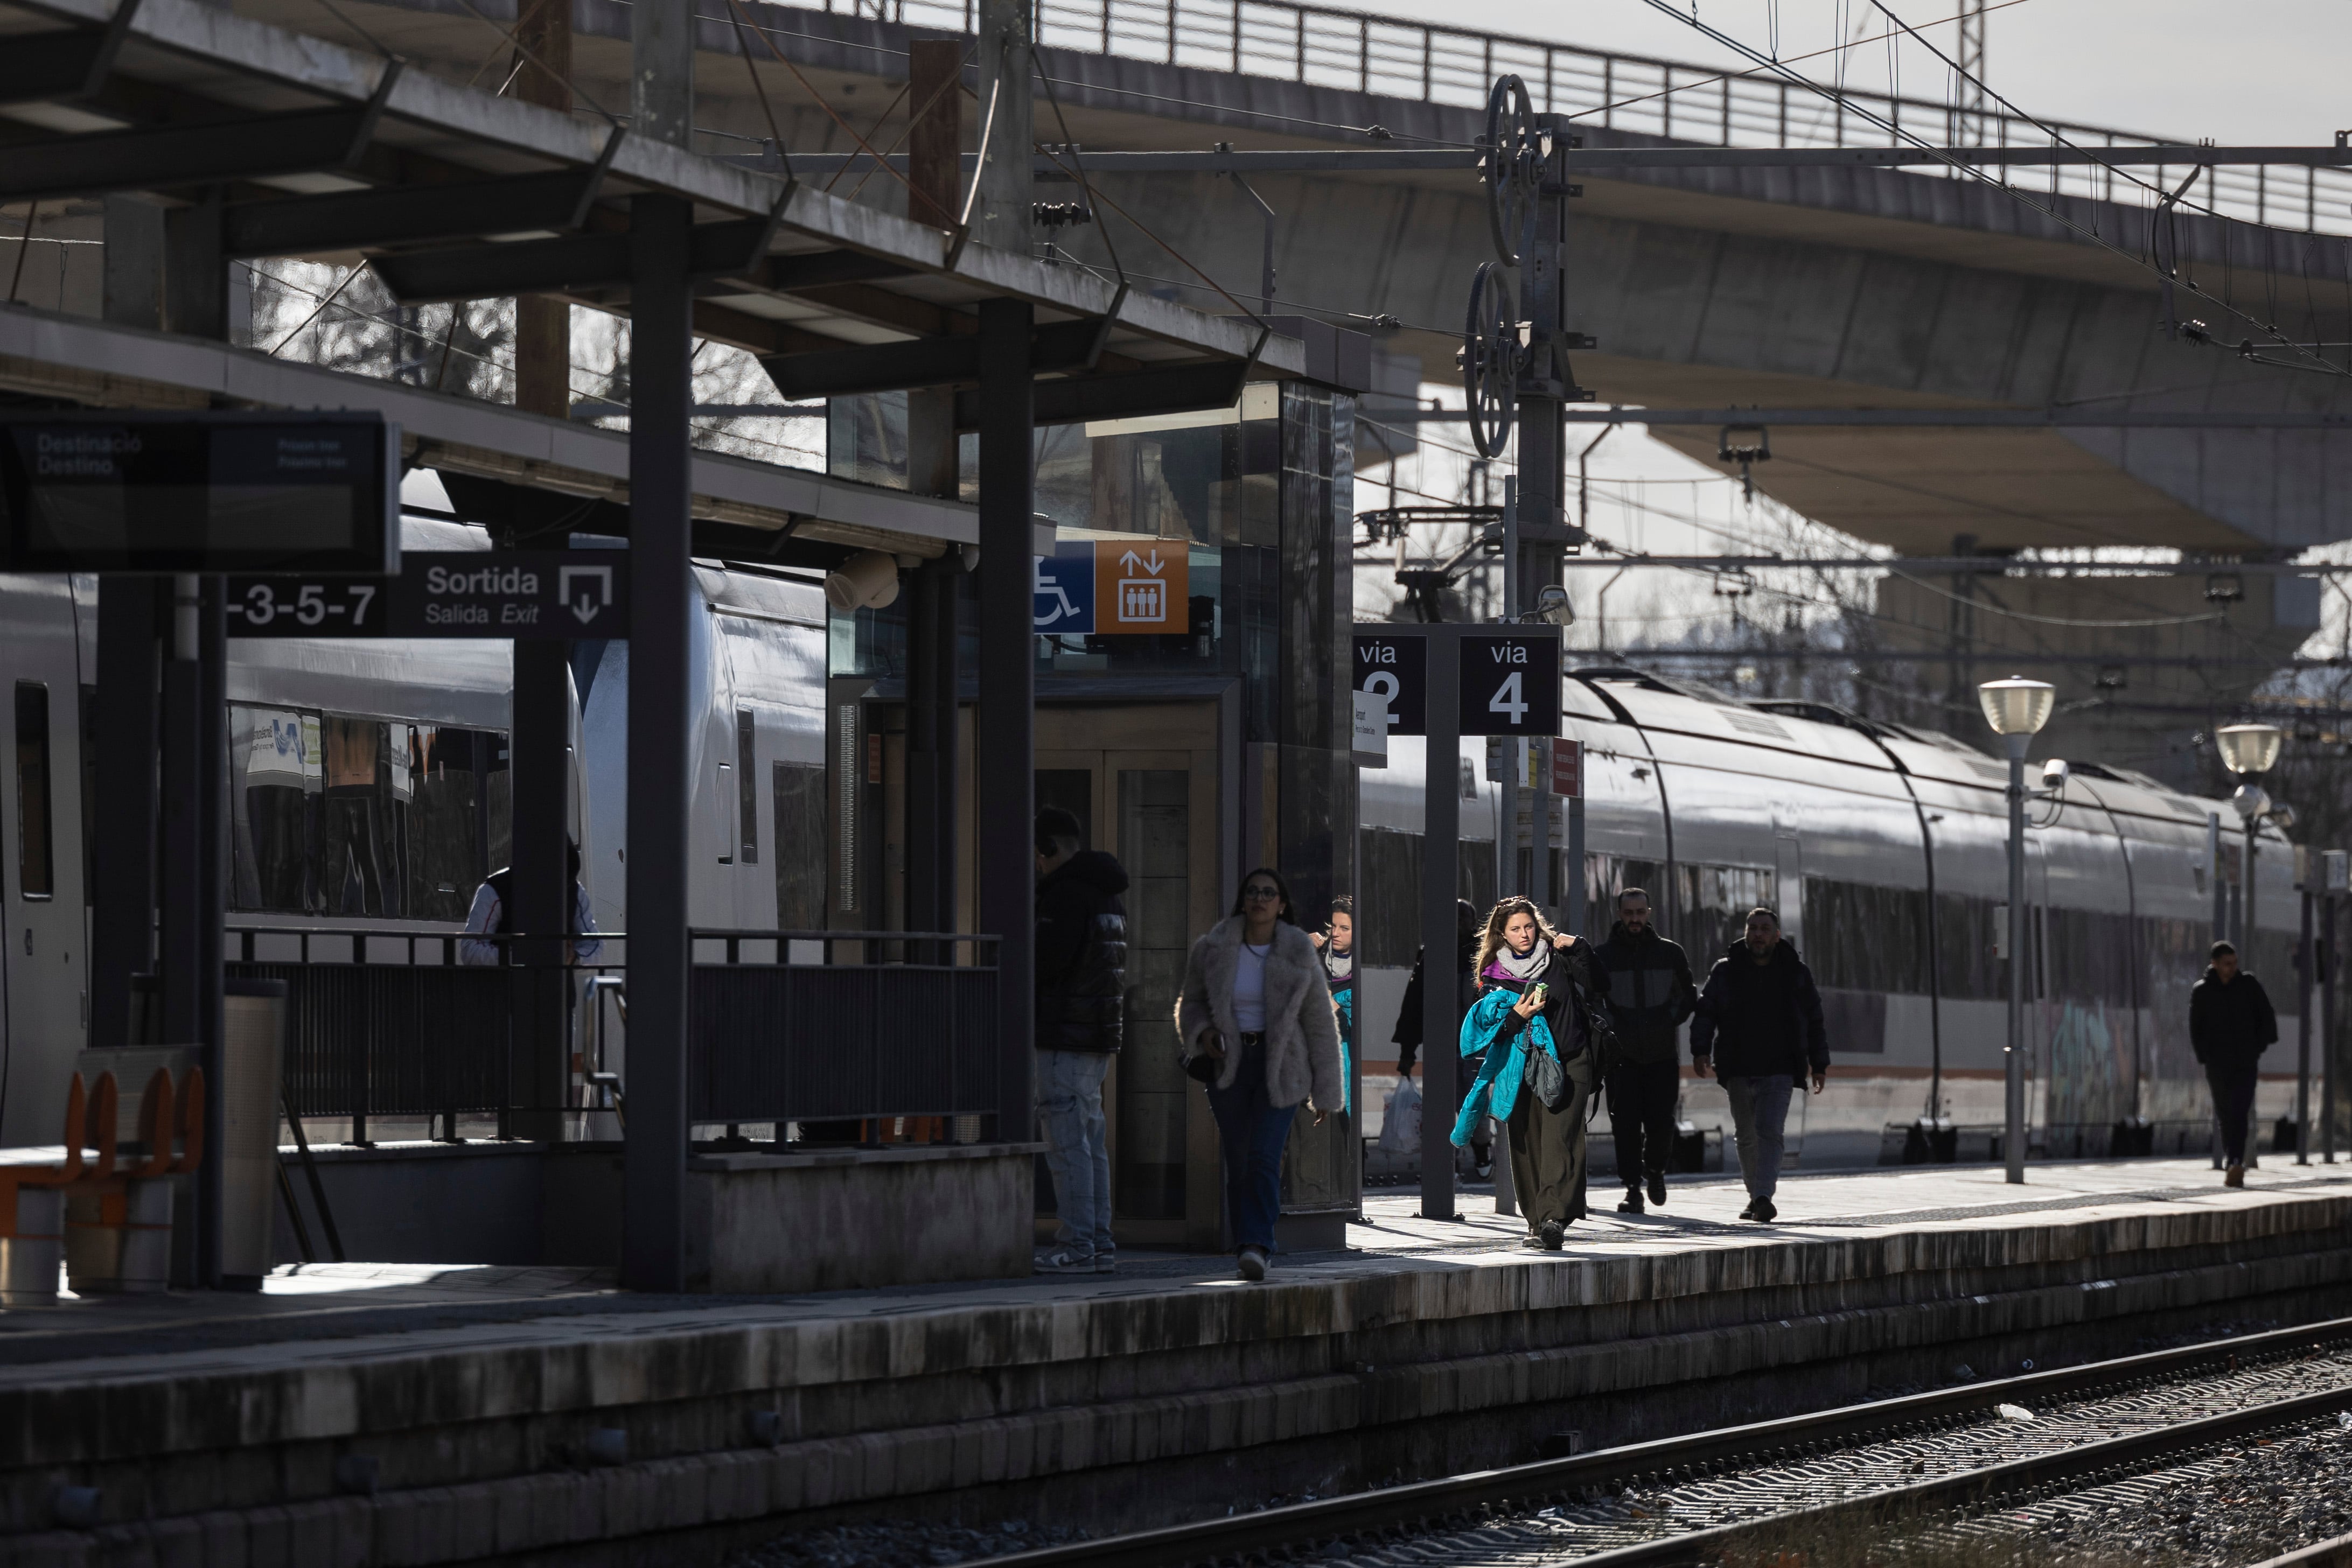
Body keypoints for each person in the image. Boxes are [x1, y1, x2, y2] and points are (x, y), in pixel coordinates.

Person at [1177, 867, 1344, 1282]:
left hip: (1282, 1065)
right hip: (1229, 1064)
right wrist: (1204, 1032)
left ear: (1281, 904)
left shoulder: (1296, 952)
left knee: (1264, 1156)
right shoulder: (1212, 948)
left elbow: (1320, 1021)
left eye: (1268, 893)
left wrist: (1325, 1091)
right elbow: (1191, 1003)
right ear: (1243, 900)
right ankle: (1244, 1240)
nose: (1259, 899)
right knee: (1239, 1159)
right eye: (1252, 892)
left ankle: (1257, 1244)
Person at [1450, 897, 1606, 1249]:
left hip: (1570, 1060)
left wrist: (1580, 947)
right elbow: (1486, 1032)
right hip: (1518, 1067)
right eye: (1516, 929)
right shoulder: (1492, 974)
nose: (1525, 935)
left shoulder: (1559, 958)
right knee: (1525, 1144)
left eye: (1529, 927)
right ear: (1502, 935)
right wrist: (1516, 1018)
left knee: (1559, 1138)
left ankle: (1554, 1219)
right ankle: (1535, 1222)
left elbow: (1600, 983)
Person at [1032, 806, 1129, 1272]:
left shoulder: (1064, 896)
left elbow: (1047, 964)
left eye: (1038, 854)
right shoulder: (1107, 896)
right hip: (1096, 1036)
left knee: (1068, 1146)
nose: (1036, 864)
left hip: (1063, 1035)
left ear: (1048, 849)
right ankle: (1099, 1241)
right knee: (1090, 1142)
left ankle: (1078, 1244)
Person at [1690, 908, 1827, 1223]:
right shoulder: (1726, 971)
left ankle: (1763, 1196)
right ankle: (1757, 1197)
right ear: (1746, 932)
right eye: (1753, 928)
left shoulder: (1795, 972)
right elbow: (1706, 1011)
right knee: (1746, 1135)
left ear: (1777, 936)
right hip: (1737, 1067)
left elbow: (1814, 1020)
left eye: (1765, 929)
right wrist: (1700, 1050)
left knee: (1769, 1133)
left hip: (1780, 1069)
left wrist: (1819, 1064)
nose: (1758, 934)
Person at [1595, 887, 1697, 1214]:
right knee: (1624, 1123)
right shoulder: (1604, 957)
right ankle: (1632, 1188)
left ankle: (1655, 1170)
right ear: (1620, 914)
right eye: (1629, 913)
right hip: (1621, 1057)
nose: (1635, 919)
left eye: (1640, 913)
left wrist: (1666, 1021)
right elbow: (1594, 999)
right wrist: (1613, 1027)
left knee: (1661, 1122)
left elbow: (1687, 995)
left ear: (1649, 913)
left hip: (1661, 1055)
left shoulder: (1670, 953)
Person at [1393, 899, 1485, 1174]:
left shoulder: (1484, 957)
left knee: (1474, 1103)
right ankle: (1451, 1162)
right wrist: (1407, 1052)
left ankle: (1481, 1151)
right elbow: (1414, 1006)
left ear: (1472, 923)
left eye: (1463, 918)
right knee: (1442, 1107)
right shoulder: (1431, 955)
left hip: (1475, 1047)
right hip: (1442, 1047)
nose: (1457, 924)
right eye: (1453, 918)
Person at [2189, 939, 2277, 1187]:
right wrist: (2204, 1056)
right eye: (2227, 964)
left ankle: (2235, 1160)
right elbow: (2196, 1028)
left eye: (2234, 963)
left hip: (2245, 1063)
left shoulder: (2248, 986)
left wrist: (2257, 1047)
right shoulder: (2203, 991)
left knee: (2240, 1111)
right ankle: (2233, 1159)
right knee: (2226, 1114)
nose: (2232, 968)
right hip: (2217, 1065)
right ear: (2215, 964)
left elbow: (2266, 1017)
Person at [458, 841, 602, 967]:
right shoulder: (495, 889)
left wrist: (573, 957)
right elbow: (470, 949)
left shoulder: (574, 891)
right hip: (507, 992)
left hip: (558, 994)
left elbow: (595, 945)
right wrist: (522, 956)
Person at [1309, 895, 1355, 1114]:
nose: (1336, 933)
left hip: (1349, 1061)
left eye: (1345, 928)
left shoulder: (1362, 970)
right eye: (1334, 926)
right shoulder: (1317, 955)